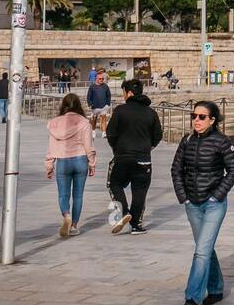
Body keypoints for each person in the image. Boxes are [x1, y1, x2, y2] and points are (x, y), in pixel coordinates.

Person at [171, 99, 234, 305]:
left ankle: (192, 297)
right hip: (192, 203)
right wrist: (184, 197)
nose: (196, 120)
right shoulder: (187, 140)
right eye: (194, 116)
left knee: (201, 251)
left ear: (212, 120)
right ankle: (217, 289)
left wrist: (217, 195)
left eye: (201, 117)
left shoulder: (222, 142)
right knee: (205, 248)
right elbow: (176, 170)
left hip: (213, 204)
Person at [105, 78, 162, 235]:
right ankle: (136, 225)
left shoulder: (120, 111)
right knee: (140, 191)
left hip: (122, 157)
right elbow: (158, 135)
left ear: (128, 93)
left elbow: (111, 133)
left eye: (124, 92)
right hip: (144, 159)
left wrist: (117, 149)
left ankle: (124, 213)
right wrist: (147, 149)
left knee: (114, 184)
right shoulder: (151, 113)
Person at [46, 93, 96, 238]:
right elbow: (88, 145)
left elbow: (51, 147)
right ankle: (74, 225)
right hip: (80, 160)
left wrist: (49, 165)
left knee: (63, 194)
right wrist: (92, 163)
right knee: (78, 195)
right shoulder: (84, 122)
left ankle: (66, 215)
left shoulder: (54, 123)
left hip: (62, 160)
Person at [86, 70, 112, 139]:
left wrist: (108, 104)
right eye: (100, 79)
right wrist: (90, 104)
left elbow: (108, 95)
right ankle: (93, 131)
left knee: (104, 118)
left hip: (104, 106)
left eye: (102, 79)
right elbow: (89, 96)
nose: (101, 80)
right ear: (96, 79)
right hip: (95, 106)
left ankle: (104, 133)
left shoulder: (105, 86)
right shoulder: (92, 86)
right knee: (94, 119)